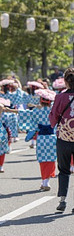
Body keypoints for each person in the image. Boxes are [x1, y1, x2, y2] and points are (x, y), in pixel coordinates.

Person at [49, 68, 74, 212]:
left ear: (65, 81)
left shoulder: (60, 97)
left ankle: (63, 200)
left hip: (64, 138)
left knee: (64, 170)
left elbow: (53, 117)